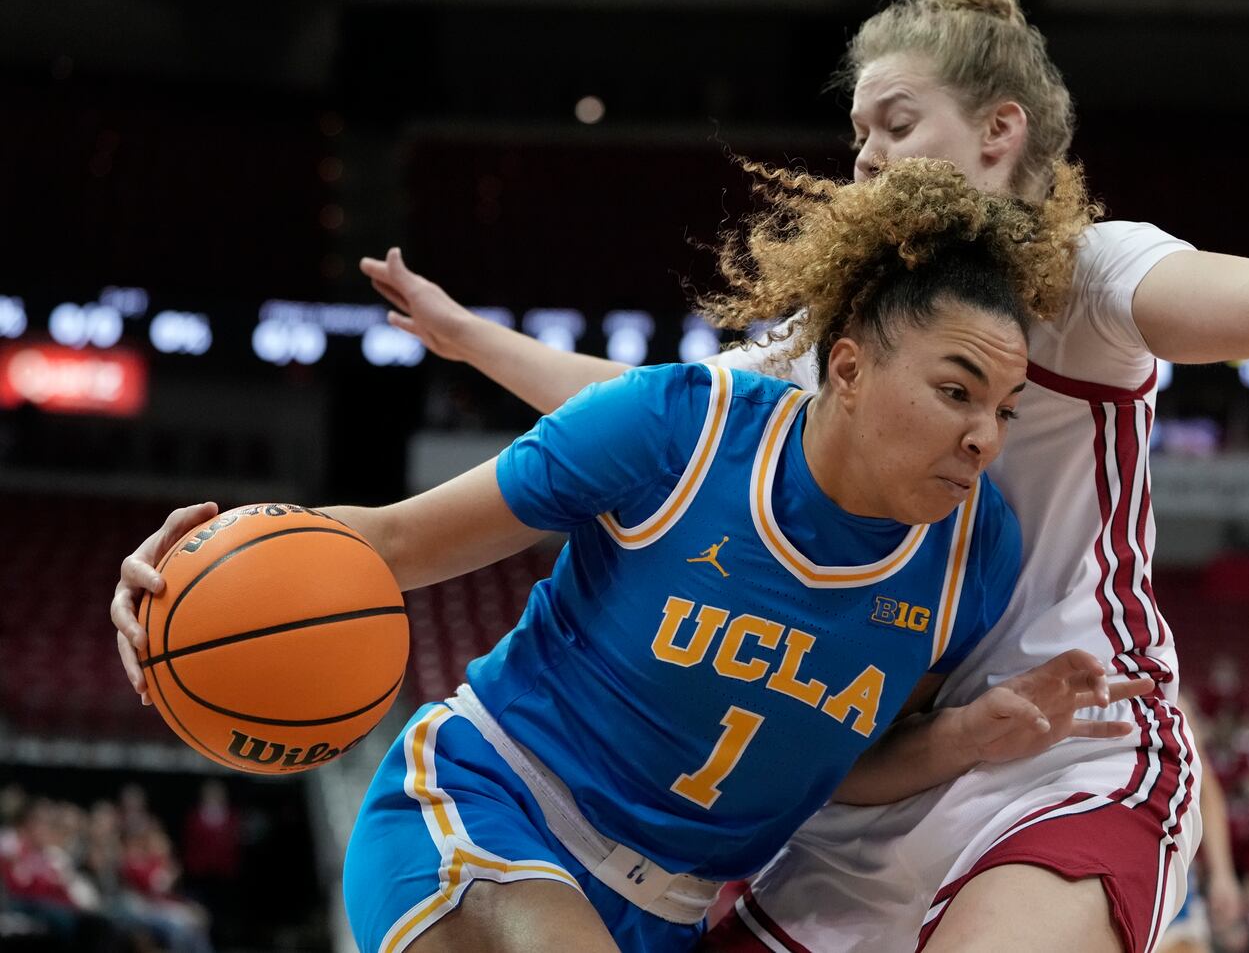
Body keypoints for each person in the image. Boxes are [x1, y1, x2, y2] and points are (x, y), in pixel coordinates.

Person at [359, 0, 1249, 953]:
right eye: (855, 134)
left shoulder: (1091, 278)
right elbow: (656, 410)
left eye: (894, 123)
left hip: (1066, 749)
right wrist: (469, 337)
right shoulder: (847, 335)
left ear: (1000, 131)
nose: (864, 155)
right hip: (874, 764)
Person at [111, 158, 1150, 953]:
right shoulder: (678, 430)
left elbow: (830, 777)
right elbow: (390, 539)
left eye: (1006, 410)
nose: (984, 436)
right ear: (846, 366)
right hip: (492, 807)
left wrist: (959, 736)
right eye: (956, 389)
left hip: (672, 912)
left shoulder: (973, 555)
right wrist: (197, 571)